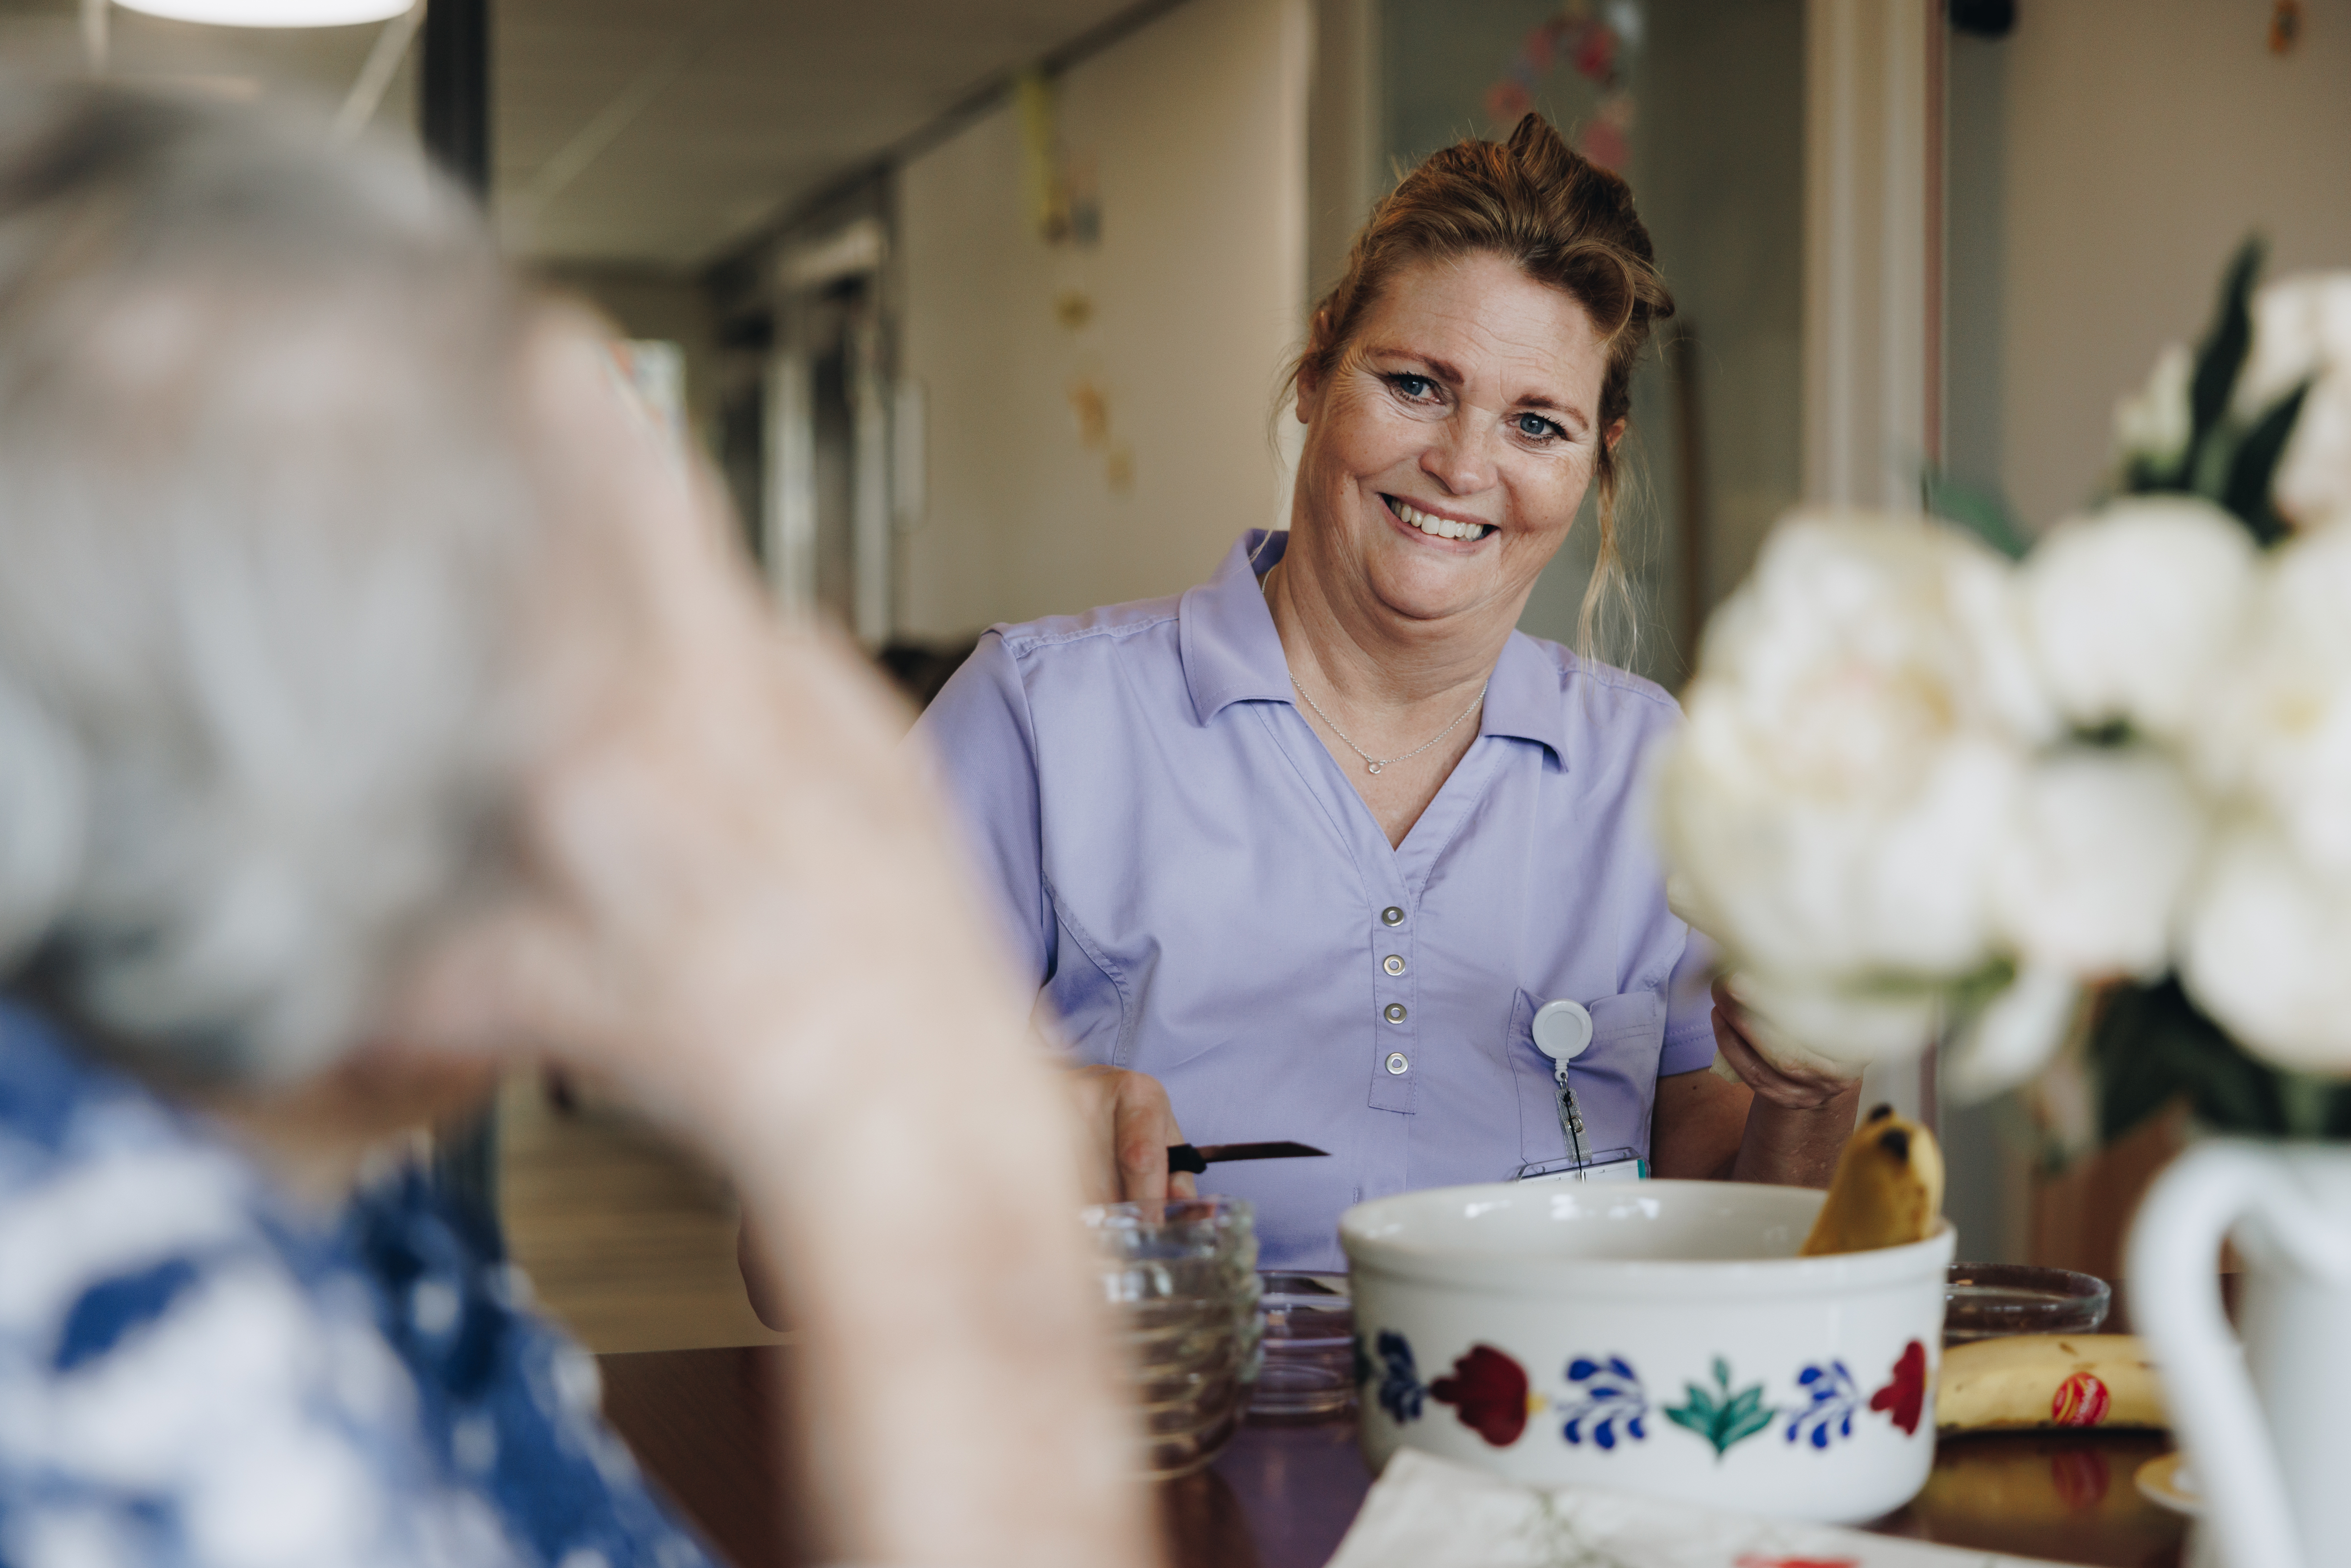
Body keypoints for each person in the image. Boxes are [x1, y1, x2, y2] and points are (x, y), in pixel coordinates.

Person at [0, 84, 1151, 1568]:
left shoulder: (348, 1215)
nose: (759, 686)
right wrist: (923, 1149)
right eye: (617, 589)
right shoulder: (112, 1342)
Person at [918, 115, 1860, 1273]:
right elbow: (785, 1232)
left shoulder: (1654, 771)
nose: (1465, 467)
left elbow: (1725, 1240)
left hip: (1548, 1432)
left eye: (1536, 423)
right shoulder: (1037, 721)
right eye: (1417, 384)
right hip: (1155, 1428)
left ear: (1597, 459)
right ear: (1318, 372)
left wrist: (1811, 1093)